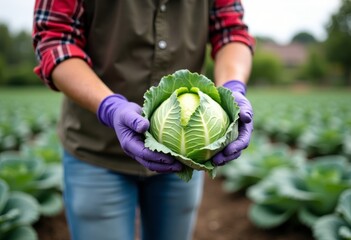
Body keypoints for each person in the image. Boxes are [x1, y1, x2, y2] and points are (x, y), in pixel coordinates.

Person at [32, 0, 255, 240]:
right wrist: (109, 107)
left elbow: (230, 31)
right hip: (96, 150)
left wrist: (233, 86)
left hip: (183, 157)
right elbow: (56, 41)